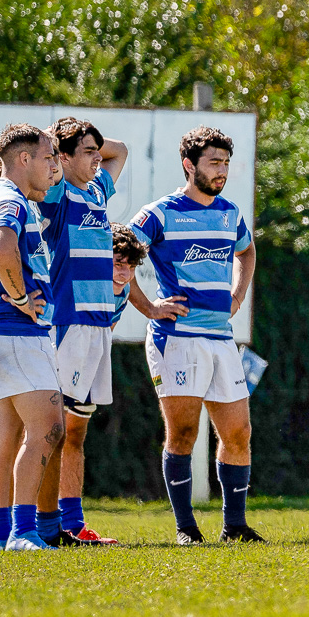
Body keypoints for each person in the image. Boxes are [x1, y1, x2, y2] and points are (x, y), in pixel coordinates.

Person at [128, 127, 261, 545]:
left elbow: (247, 251)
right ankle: (186, 528)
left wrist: (238, 294)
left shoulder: (229, 213)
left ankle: (234, 527)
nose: (222, 171)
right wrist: (149, 307)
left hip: (221, 338)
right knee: (183, 434)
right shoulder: (160, 213)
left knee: (238, 433)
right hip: (177, 338)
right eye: (214, 162)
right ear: (189, 165)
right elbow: (119, 253)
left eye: (226, 163)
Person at [0, 124, 63, 551]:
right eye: (47, 158)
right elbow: (3, 247)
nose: (52, 167)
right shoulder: (11, 199)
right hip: (16, 333)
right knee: (49, 428)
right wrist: (19, 297)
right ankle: (23, 532)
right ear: (24, 159)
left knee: (0, 439)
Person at [32, 117, 132, 546]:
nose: (97, 159)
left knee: (76, 432)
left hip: (97, 327)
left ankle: (72, 524)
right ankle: (39, 524)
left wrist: (88, 139)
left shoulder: (96, 191)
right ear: (62, 157)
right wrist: (59, 141)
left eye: (95, 152)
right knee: (51, 430)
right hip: (68, 324)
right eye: (87, 152)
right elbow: (64, 158)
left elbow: (120, 150)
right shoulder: (58, 194)